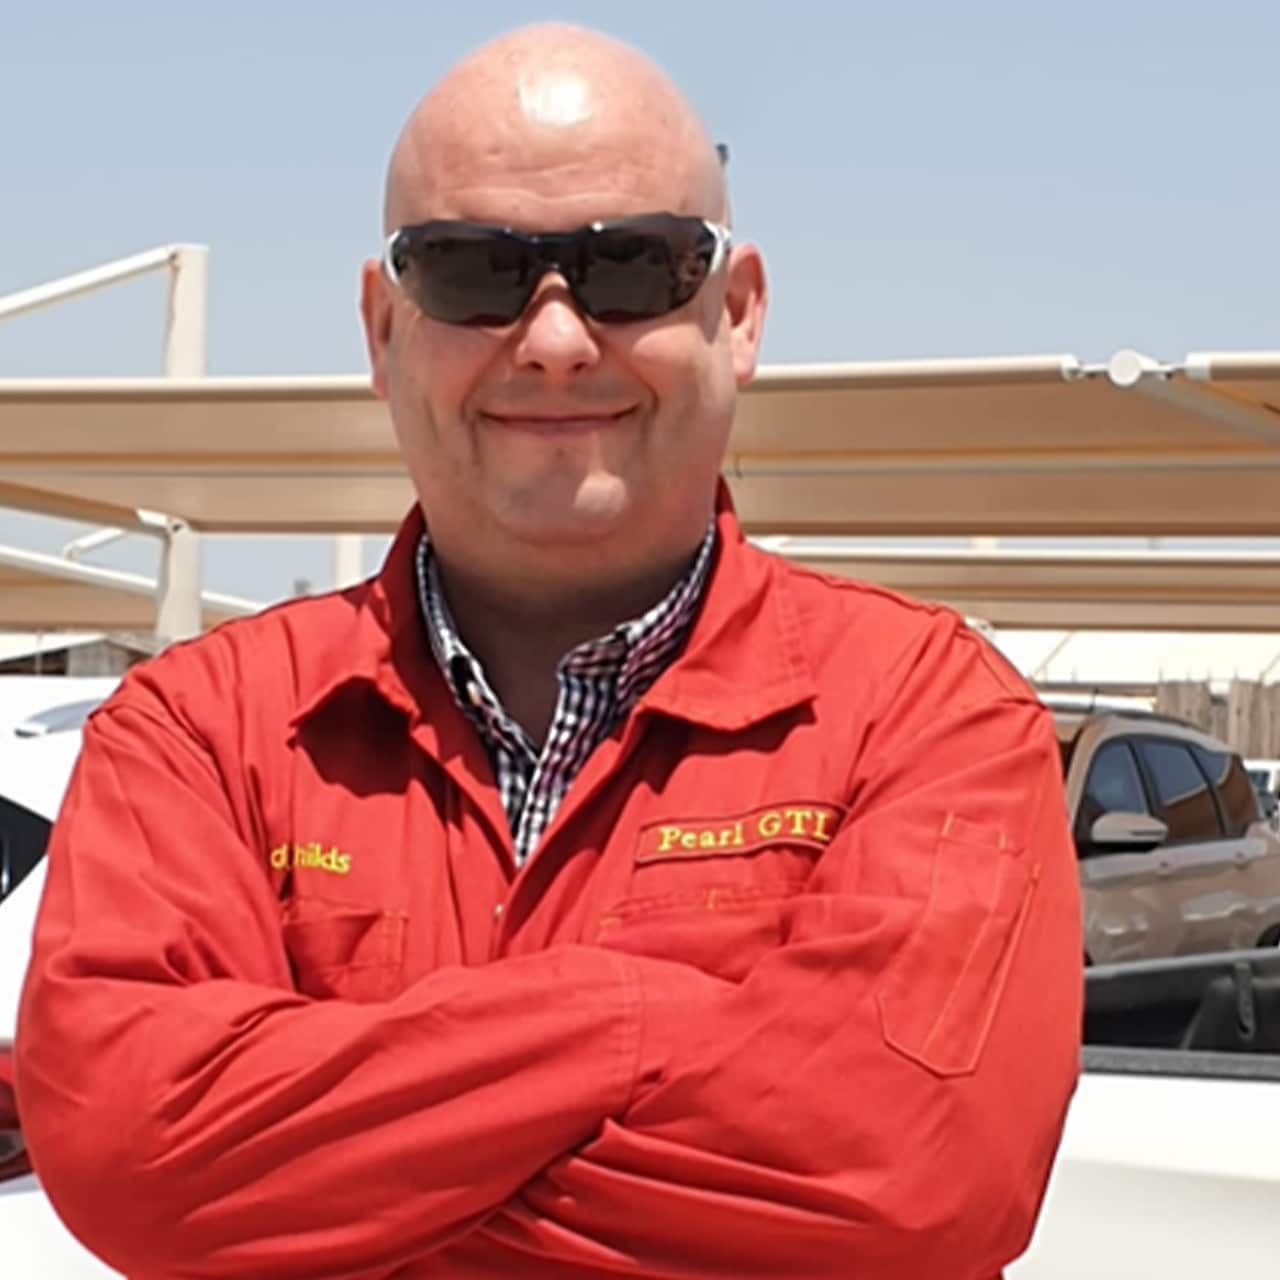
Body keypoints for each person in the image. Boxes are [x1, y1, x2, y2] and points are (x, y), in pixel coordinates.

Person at [16, 23, 1081, 1279]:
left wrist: (333, 1179)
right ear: (381, 327)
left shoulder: (928, 714)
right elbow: (133, 1159)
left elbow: (907, 1187)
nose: (557, 338)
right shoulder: (197, 727)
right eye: (473, 269)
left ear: (734, 314)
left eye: (632, 263)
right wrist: (641, 1017)